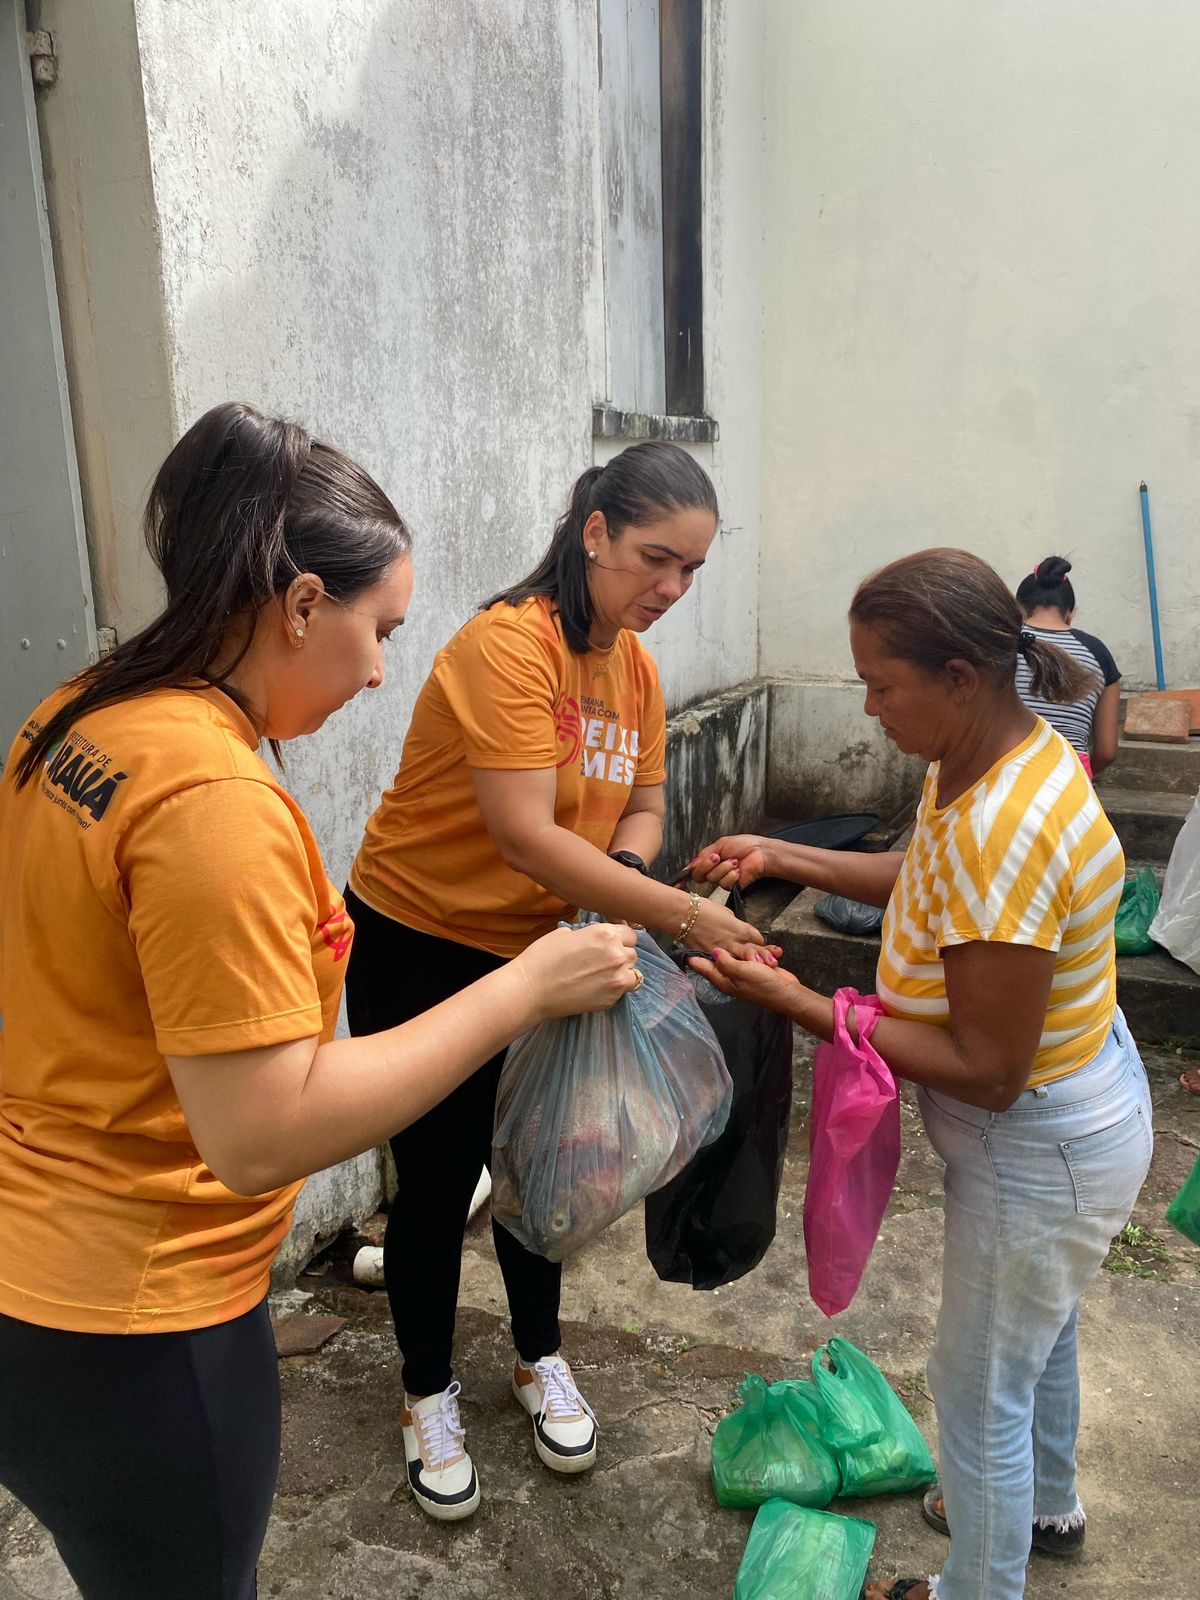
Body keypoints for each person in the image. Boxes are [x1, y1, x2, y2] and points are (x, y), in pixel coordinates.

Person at [0, 402, 641, 1600]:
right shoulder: (212, 803)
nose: (384, 668)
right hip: (138, 1315)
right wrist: (523, 988)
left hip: (37, 1258)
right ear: (301, 604)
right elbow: (260, 1132)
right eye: (379, 629)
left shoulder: (80, 715)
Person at [689, 548, 1153, 1600]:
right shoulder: (992, 757)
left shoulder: (1004, 825)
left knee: (977, 1390)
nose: (868, 707)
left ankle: (977, 1586)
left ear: (958, 677)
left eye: (881, 685)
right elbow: (926, 875)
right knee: (1038, 1332)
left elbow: (988, 1068)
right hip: (1081, 1110)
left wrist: (804, 1004)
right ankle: (1043, 1504)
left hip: (1038, 1141)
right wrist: (785, 853)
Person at [344, 441, 766, 1519]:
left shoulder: (636, 668)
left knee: (548, 1158)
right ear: (595, 533)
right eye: (656, 559)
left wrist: (620, 876)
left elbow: (644, 809)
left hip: (549, 943)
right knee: (439, 1177)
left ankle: (538, 1356)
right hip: (425, 937)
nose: (671, 588)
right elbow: (526, 835)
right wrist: (675, 912)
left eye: (692, 570)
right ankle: (426, 1391)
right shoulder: (509, 646)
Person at [1015, 554, 1121, 777]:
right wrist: (1081, 775)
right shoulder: (1097, 653)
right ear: (1070, 613)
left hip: (1008, 770)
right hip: (1070, 775)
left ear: (1018, 609)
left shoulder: (1002, 643)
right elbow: (1106, 751)